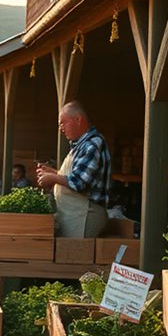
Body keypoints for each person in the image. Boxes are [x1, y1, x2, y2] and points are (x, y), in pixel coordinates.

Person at [37, 101, 112, 238]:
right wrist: (53, 173)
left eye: (63, 123)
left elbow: (79, 182)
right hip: (74, 215)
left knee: (76, 256)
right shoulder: (79, 146)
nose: (61, 128)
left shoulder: (92, 144)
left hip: (84, 216)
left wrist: (53, 178)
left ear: (78, 120)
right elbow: (74, 176)